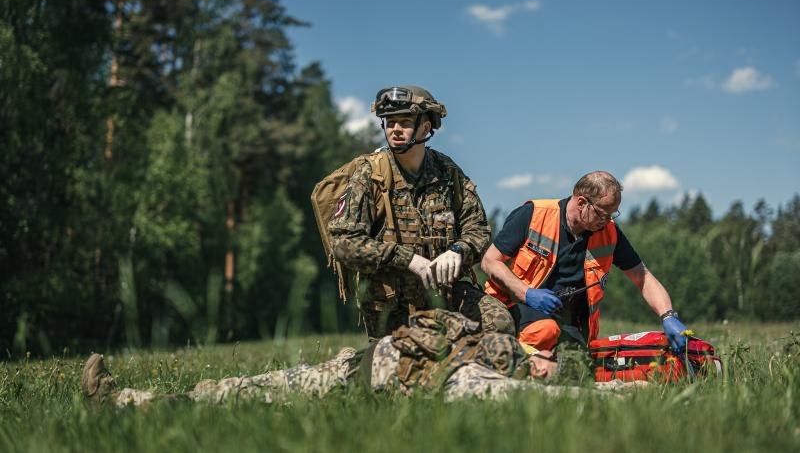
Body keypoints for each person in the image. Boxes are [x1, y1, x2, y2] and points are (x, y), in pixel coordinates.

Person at [81, 309, 638, 408]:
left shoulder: (500, 379)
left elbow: (575, 397)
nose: (543, 367)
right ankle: (132, 401)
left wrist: (631, 387)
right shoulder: (497, 336)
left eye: (549, 365)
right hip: (364, 363)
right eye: (545, 359)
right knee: (257, 386)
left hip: (429, 382)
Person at [329, 85, 512, 339]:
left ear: (426, 127)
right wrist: (407, 259)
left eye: (404, 122)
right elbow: (342, 242)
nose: (395, 129)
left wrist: (458, 251)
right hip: (392, 310)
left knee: (499, 323)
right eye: (390, 122)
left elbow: (478, 229)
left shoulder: (447, 172)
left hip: (445, 298)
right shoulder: (371, 175)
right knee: (405, 368)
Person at [481, 171, 692, 355]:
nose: (608, 221)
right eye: (603, 214)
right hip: (516, 309)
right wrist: (527, 293)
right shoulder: (534, 214)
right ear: (582, 203)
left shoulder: (609, 233)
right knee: (545, 331)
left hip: (570, 325)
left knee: (578, 365)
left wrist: (668, 316)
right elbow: (490, 261)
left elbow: (642, 277)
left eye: (612, 214)